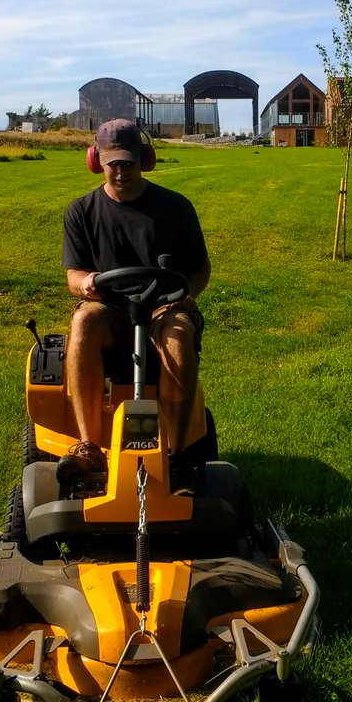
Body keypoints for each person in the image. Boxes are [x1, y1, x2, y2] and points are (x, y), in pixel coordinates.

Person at [61, 118, 211, 464]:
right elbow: (74, 274)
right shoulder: (82, 212)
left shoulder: (176, 208)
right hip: (109, 308)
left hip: (164, 306)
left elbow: (201, 267)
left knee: (177, 332)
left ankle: (176, 453)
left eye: (127, 163)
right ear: (95, 160)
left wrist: (189, 296)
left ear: (145, 159)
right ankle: (90, 448)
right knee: (83, 323)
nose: (120, 171)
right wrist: (85, 283)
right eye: (112, 163)